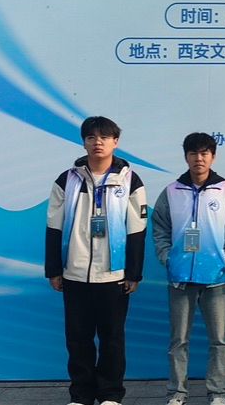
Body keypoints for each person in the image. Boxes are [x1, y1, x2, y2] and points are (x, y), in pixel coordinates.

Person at [45, 116, 148, 405]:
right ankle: (81, 395)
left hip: (113, 276)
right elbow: (54, 226)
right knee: (78, 339)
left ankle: (111, 394)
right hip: (75, 274)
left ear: (116, 142)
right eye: (91, 137)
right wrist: (54, 269)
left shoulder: (130, 180)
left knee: (112, 338)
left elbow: (137, 229)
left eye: (104, 137)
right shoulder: (67, 180)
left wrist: (133, 273)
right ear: (84, 143)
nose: (97, 142)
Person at [151, 132, 225, 405]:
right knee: (178, 340)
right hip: (180, 278)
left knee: (219, 340)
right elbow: (160, 228)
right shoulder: (172, 192)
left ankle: (218, 393)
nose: (199, 158)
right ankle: (177, 393)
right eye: (193, 153)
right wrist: (167, 257)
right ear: (186, 157)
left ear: (213, 157)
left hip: (215, 278)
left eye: (204, 153)